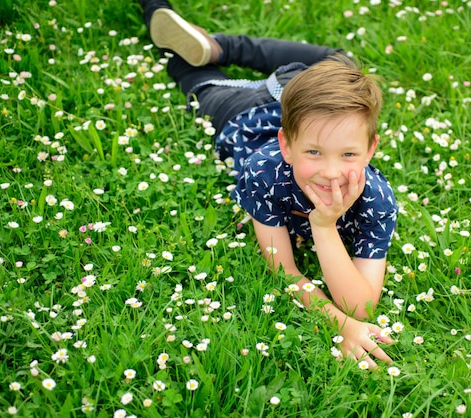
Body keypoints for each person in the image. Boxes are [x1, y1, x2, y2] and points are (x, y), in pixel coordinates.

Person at [138, 0, 398, 367]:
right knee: (184, 68)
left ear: (371, 150)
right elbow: (283, 269)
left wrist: (323, 227)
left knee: (342, 61)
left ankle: (216, 46)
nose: (330, 172)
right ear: (286, 148)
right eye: (314, 154)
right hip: (239, 110)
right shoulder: (264, 171)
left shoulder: (377, 199)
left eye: (349, 156)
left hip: (306, 103)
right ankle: (164, 14)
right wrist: (342, 325)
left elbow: (362, 305)